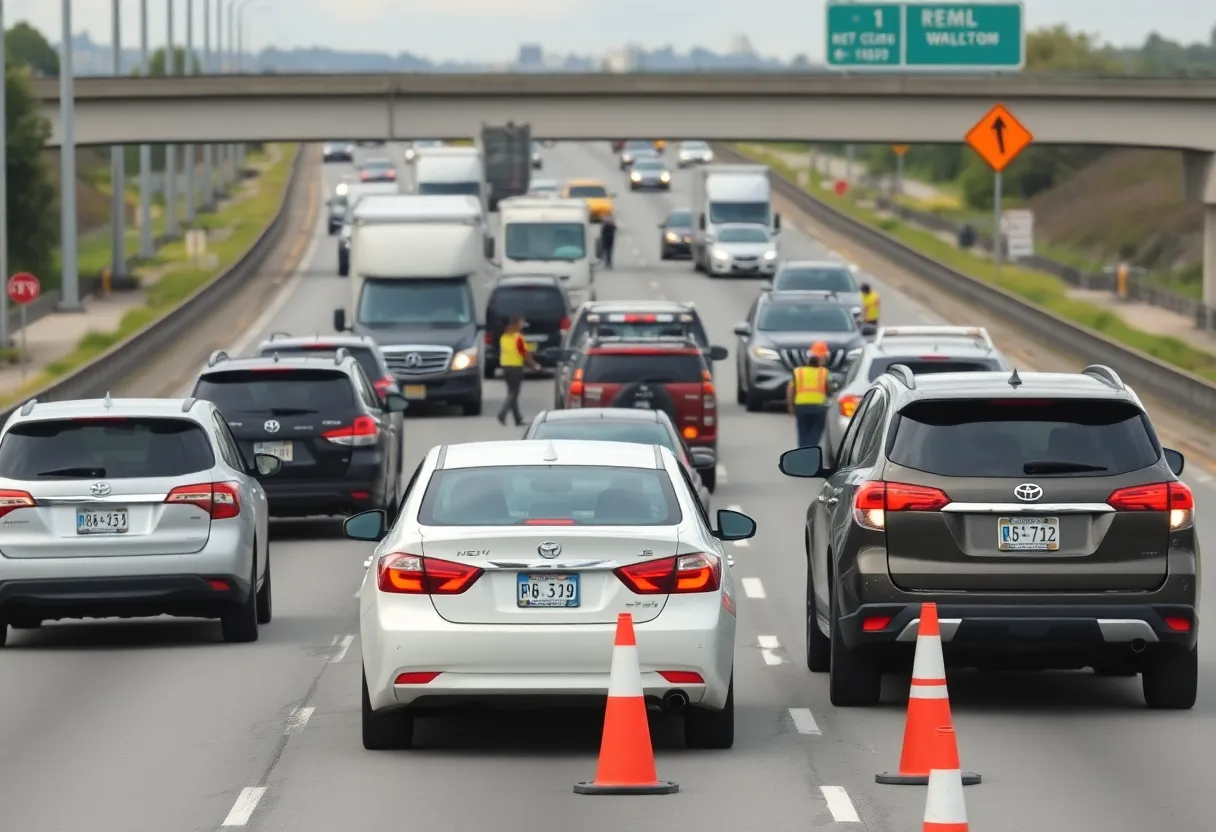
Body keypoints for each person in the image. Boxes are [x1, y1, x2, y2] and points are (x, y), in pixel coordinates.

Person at [497, 316, 540, 426]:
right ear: (516, 324)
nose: (522, 324)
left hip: (505, 366)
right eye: (521, 322)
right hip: (515, 367)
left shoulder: (504, 337)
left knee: (512, 392)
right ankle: (502, 413)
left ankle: (517, 418)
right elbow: (524, 354)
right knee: (514, 392)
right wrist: (534, 365)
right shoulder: (518, 338)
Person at [787, 341, 830, 449]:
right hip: (819, 408)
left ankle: (802, 454)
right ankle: (810, 453)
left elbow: (790, 389)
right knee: (814, 436)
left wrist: (790, 406)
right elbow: (829, 389)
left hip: (801, 407)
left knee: (803, 434)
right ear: (821, 358)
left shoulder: (798, 371)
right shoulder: (824, 372)